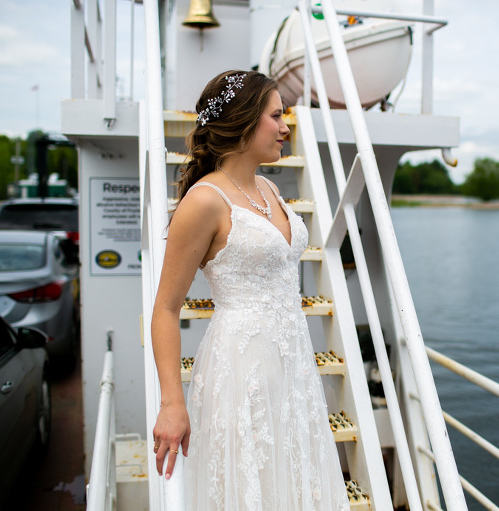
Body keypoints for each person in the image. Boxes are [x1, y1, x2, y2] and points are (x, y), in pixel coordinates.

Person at [150, 70, 350, 510]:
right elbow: (165, 309)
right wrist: (171, 402)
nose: (285, 127)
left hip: (292, 364)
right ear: (243, 120)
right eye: (277, 116)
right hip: (240, 370)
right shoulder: (203, 202)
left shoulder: (269, 187)